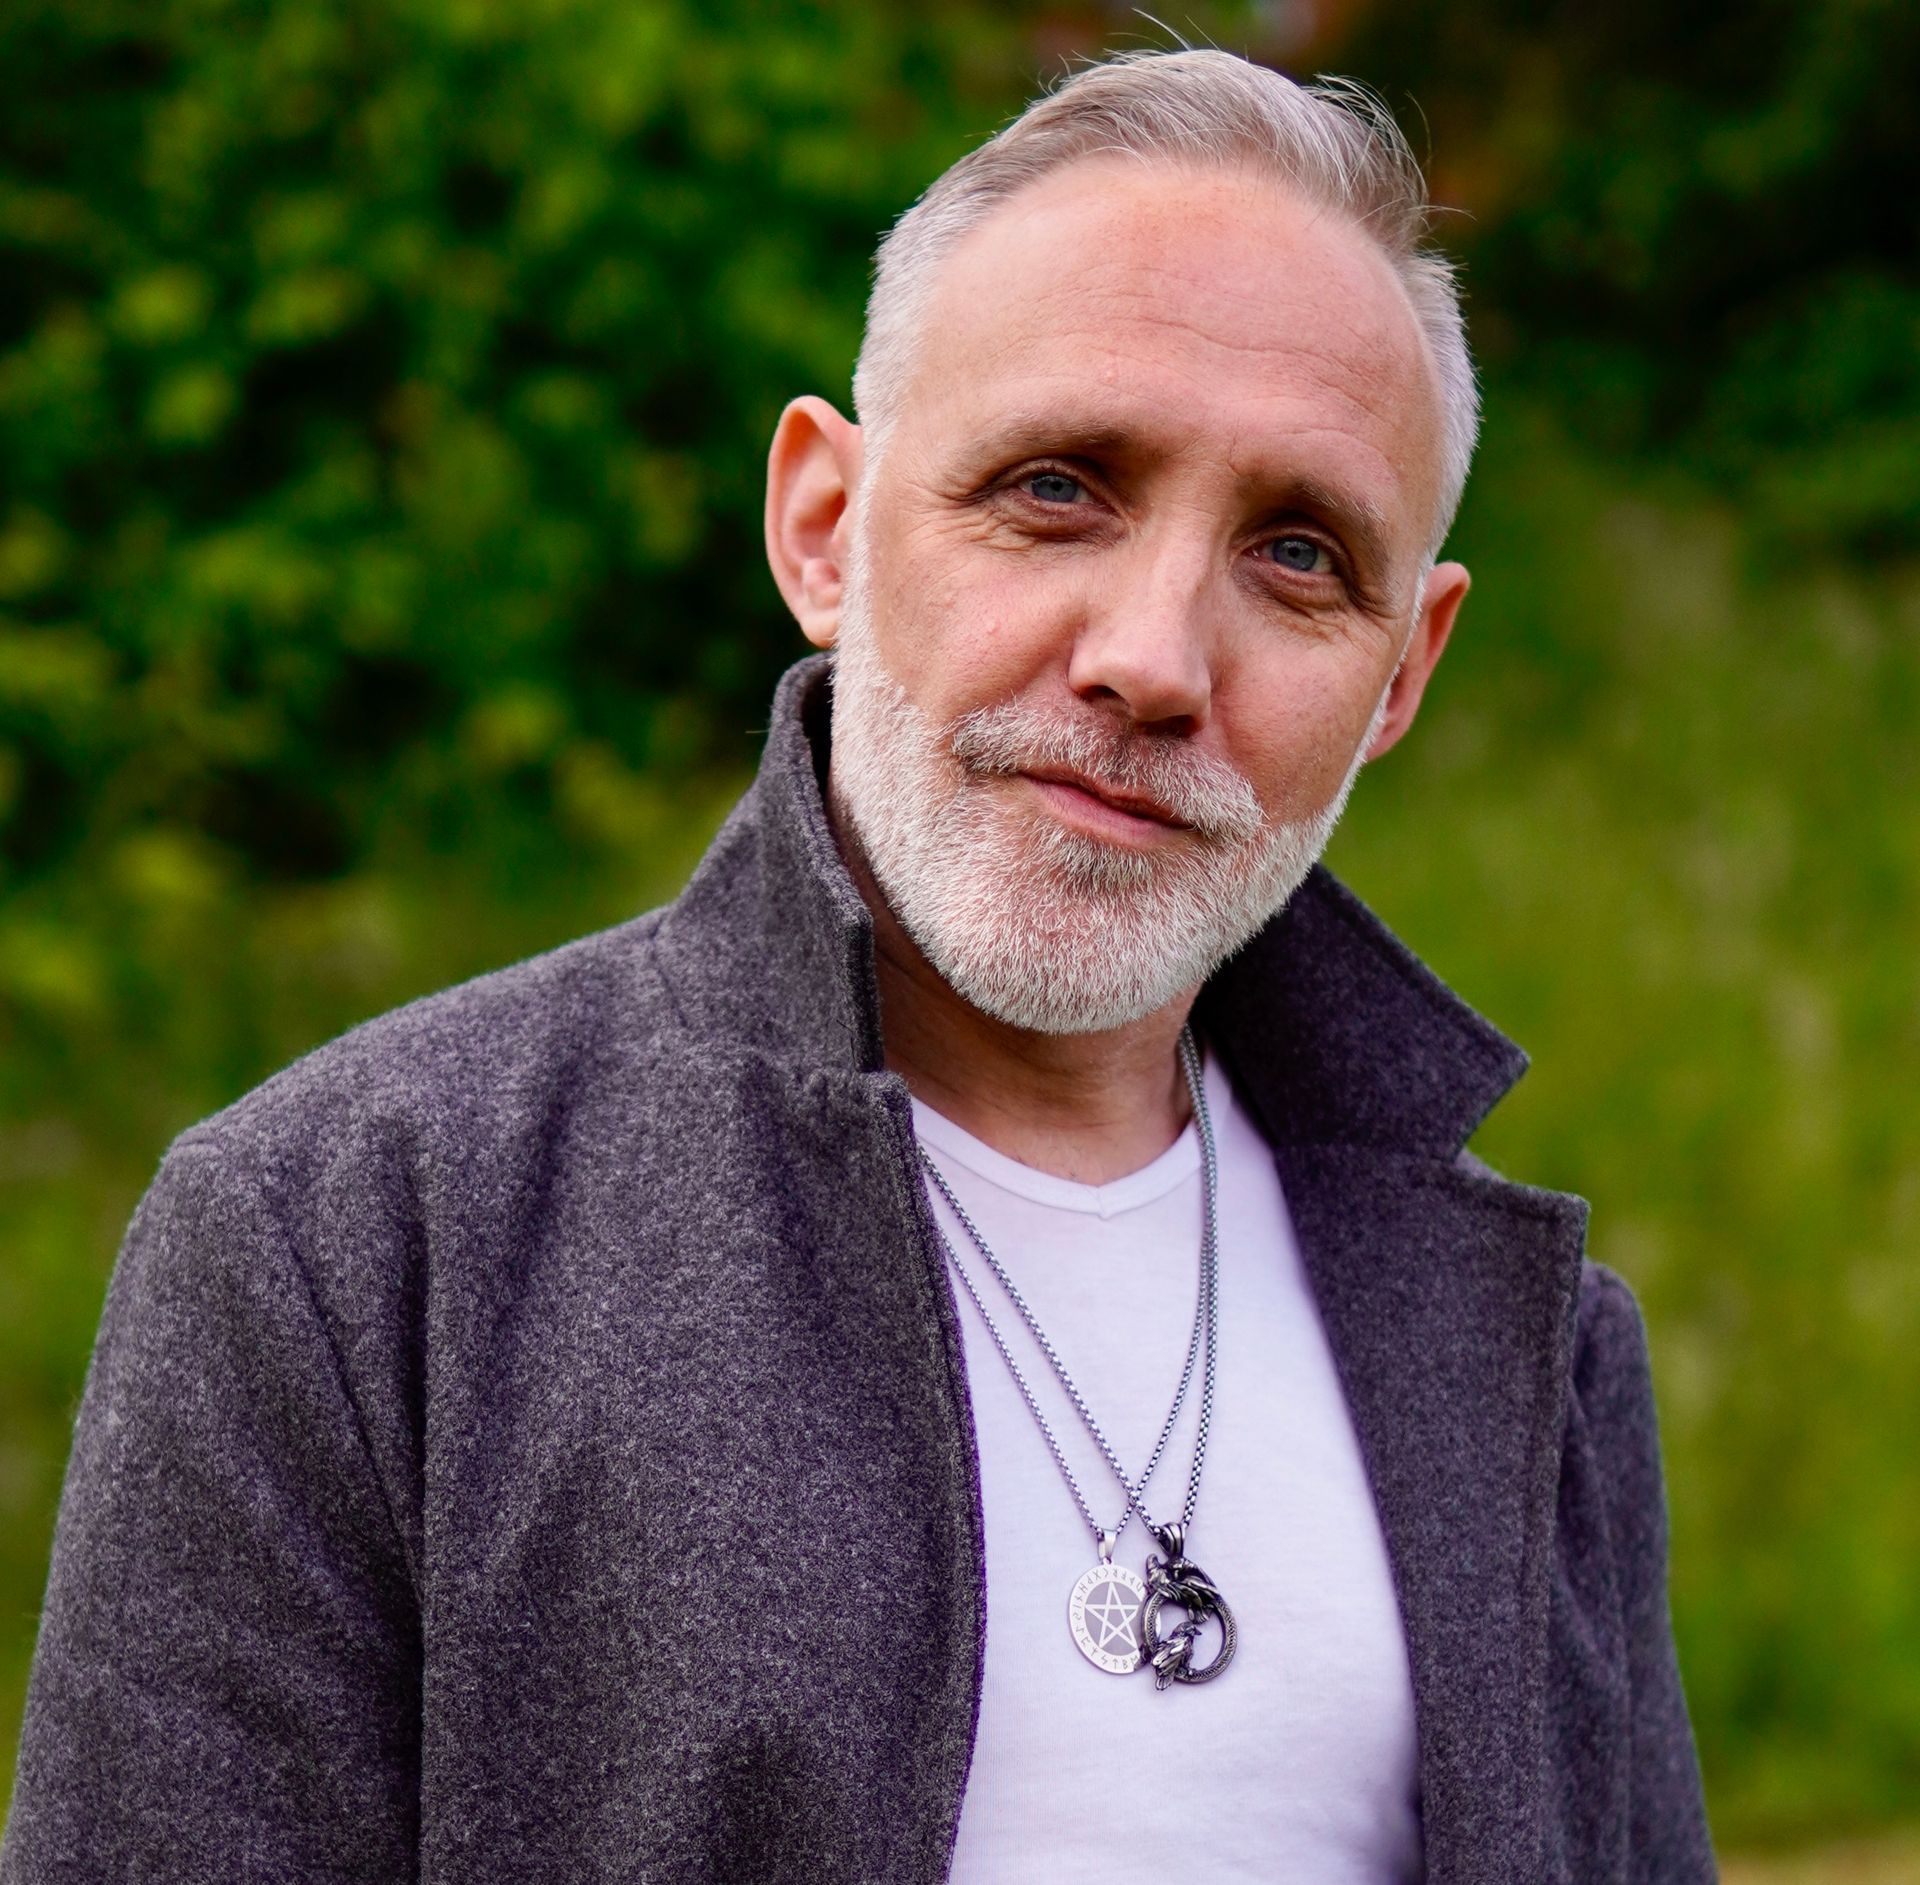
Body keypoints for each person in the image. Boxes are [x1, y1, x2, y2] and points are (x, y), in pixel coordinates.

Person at [0, 46, 1717, 1885]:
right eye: (1059, 486)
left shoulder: (1531, 1342)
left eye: (1298, 554)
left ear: (1401, 676)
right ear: (825, 525)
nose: (1152, 655)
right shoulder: (347, 1236)